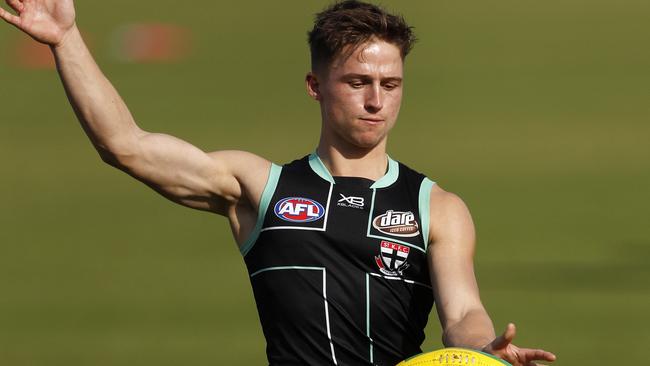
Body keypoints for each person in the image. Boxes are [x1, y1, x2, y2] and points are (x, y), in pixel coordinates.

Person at [1, 0, 557, 365]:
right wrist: (65, 39)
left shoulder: (436, 206)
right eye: (358, 82)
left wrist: (485, 351)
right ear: (316, 85)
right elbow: (124, 145)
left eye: (391, 83)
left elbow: (461, 313)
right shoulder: (257, 188)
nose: (376, 100)